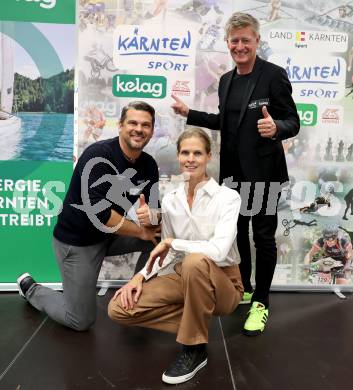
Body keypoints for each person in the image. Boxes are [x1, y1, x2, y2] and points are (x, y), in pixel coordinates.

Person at [171, 12, 300, 336]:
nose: (240, 46)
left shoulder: (273, 76)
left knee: (263, 237)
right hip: (233, 175)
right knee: (236, 233)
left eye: (246, 40)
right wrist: (190, 113)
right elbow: (224, 121)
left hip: (266, 173)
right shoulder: (227, 80)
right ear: (228, 44)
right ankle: (243, 286)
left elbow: (293, 121)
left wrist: (276, 128)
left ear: (256, 41)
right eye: (234, 41)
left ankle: (261, 302)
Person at [108, 128, 243, 385]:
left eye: (197, 153)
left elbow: (218, 251)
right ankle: (197, 321)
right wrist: (139, 277)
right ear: (178, 156)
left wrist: (171, 241)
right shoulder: (171, 200)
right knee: (118, 309)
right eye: (185, 153)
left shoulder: (228, 197)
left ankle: (195, 349)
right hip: (183, 274)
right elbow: (168, 255)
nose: (190, 158)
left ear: (208, 156)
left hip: (224, 283)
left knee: (194, 260)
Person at [17, 101, 161, 331]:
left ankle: (138, 296)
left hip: (110, 237)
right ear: (121, 126)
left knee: (159, 239)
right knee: (80, 320)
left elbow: (155, 208)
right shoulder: (98, 157)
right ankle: (31, 288)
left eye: (146, 125)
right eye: (132, 122)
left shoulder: (148, 164)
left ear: (152, 131)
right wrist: (140, 230)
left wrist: (152, 216)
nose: (139, 129)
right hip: (78, 242)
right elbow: (101, 215)